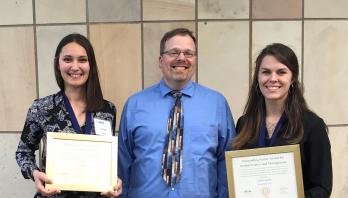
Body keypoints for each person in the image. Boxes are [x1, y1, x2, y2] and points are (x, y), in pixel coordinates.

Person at [118, 28, 235, 197]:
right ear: (160, 60)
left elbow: (226, 164)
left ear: (195, 60)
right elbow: (123, 164)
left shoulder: (217, 104)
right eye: (174, 52)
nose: (181, 58)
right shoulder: (135, 105)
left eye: (188, 53)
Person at [15, 33, 122, 198]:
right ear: (58, 64)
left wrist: (113, 181)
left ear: (91, 65)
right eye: (67, 59)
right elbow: (23, 152)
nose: (75, 66)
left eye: (82, 60)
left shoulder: (107, 109)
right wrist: (34, 173)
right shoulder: (42, 108)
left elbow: (106, 157)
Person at [231, 43, 332, 197]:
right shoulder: (244, 124)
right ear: (257, 77)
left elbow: (322, 188)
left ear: (292, 79)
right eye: (266, 72)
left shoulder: (312, 125)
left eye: (281, 72)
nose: (273, 79)